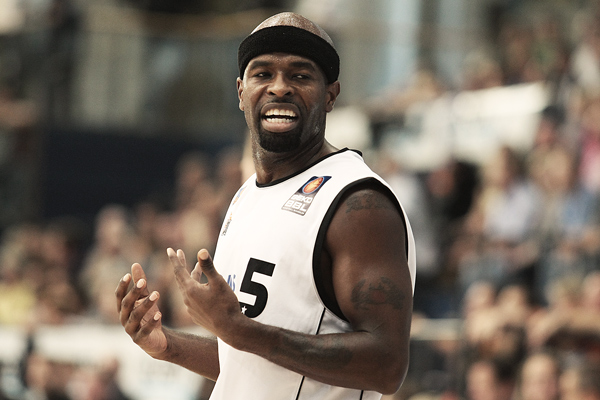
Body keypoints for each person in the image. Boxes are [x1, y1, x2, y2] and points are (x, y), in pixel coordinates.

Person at [115, 11, 416, 400]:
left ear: (330, 95)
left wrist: (239, 330)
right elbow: (250, 360)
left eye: (300, 76)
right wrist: (167, 345)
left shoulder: (358, 204)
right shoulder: (246, 196)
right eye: (263, 74)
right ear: (241, 92)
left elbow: (387, 366)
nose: (279, 87)